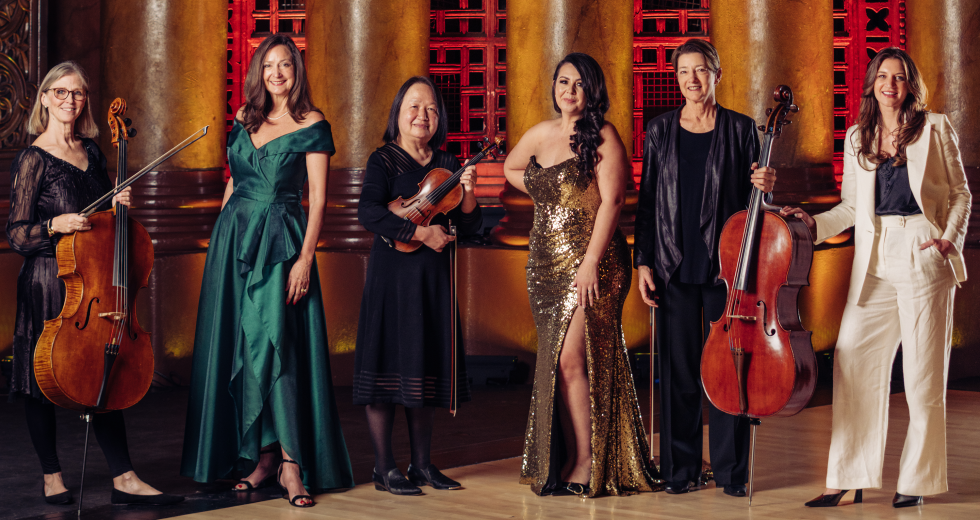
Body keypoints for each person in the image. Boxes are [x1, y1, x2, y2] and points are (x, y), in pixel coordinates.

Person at [782, 47, 970, 510]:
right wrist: (810, 223)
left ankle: (917, 479)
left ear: (910, 85)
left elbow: (960, 193)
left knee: (922, 375)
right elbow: (851, 207)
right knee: (852, 360)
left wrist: (948, 239)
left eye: (899, 77)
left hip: (923, 249)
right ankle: (846, 476)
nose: (890, 84)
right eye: (883, 76)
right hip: (874, 256)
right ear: (871, 84)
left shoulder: (935, 128)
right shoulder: (856, 136)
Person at [181, 34, 353, 508]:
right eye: (268, 65)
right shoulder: (245, 117)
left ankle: (293, 463)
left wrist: (305, 259)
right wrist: (220, 244)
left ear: (297, 71)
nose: (276, 73)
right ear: (258, 71)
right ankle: (261, 457)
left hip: (281, 243)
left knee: (278, 346)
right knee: (242, 347)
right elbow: (233, 182)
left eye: (286, 65)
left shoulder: (312, 122)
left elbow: (319, 199)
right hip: (233, 242)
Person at [6, 61, 183, 507]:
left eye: (78, 93)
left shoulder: (93, 152)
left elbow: (105, 221)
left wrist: (119, 201)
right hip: (49, 279)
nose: (71, 100)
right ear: (45, 99)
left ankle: (125, 477)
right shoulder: (33, 159)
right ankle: (51, 475)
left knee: (103, 370)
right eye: (61, 92)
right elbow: (17, 235)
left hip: (95, 281)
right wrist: (55, 224)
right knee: (40, 380)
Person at [504, 52, 657, 498]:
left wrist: (590, 261)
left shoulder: (604, 135)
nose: (569, 91)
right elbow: (512, 168)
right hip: (544, 265)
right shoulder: (540, 133)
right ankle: (575, 456)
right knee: (558, 361)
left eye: (579, 84)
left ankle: (590, 461)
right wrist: (545, 189)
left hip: (595, 262)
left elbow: (613, 202)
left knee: (572, 359)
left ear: (593, 91)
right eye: (563, 82)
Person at [634, 39, 777, 497]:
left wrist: (767, 185)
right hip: (673, 266)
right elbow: (648, 199)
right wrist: (643, 261)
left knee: (731, 371)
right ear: (675, 78)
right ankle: (680, 471)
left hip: (726, 271)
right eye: (683, 72)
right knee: (678, 373)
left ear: (717, 74)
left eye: (700, 70)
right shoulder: (659, 130)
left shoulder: (740, 128)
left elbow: (755, 204)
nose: (691, 80)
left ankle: (732, 473)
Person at [354, 76, 482, 496]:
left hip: (431, 281)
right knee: (386, 367)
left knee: (424, 368)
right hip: (392, 279)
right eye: (413, 106)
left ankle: (422, 465)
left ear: (439, 117)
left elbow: (469, 226)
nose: (422, 116)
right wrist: (420, 233)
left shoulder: (447, 161)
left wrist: (469, 194)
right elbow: (369, 212)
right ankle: (384, 467)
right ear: (398, 113)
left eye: (430, 109)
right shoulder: (383, 160)